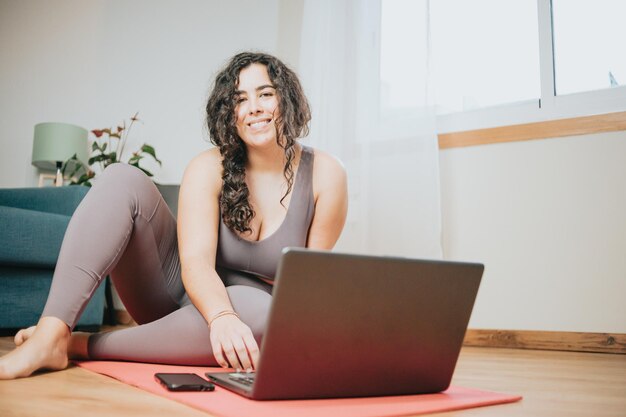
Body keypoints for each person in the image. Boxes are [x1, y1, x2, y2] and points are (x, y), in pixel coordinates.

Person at [0, 52, 348, 379]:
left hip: (253, 318)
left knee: (263, 311)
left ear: (286, 99)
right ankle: (51, 334)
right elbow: (195, 263)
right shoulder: (208, 166)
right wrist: (222, 315)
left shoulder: (326, 175)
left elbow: (305, 289)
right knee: (122, 178)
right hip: (174, 295)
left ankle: (78, 344)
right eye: (240, 100)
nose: (253, 108)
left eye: (265, 94)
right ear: (229, 113)